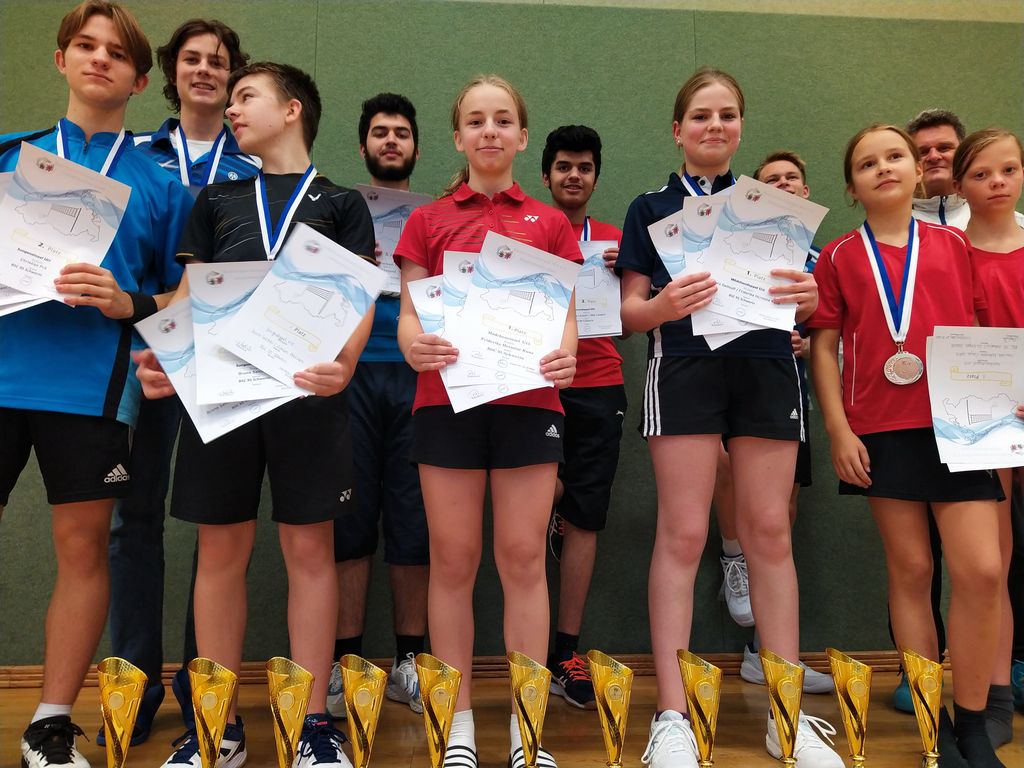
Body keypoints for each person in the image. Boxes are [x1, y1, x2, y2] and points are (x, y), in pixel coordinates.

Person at [136, 61, 376, 768]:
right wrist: (168, 357)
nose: (233, 109)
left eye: (247, 97)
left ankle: (313, 723)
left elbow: (358, 296)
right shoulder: (216, 199)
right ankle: (217, 725)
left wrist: (346, 365)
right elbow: (189, 294)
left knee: (310, 555)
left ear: (292, 109)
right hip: (225, 393)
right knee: (219, 554)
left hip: (309, 393)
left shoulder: (341, 202)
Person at [617, 68, 840, 768]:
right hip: (684, 369)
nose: (715, 125)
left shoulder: (771, 209)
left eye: (728, 115)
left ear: (740, 127)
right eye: (701, 115)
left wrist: (808, 297)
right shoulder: (649, 207)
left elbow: (807, 303)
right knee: (684, 533)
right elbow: (630, 312)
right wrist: (662, 307)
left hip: (766, 368)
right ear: (677, 129)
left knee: (769, 531)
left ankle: (785, 716)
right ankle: (673, 717)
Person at [0, 3, 193, 767]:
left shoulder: (161, 184)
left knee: (83, 551)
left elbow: (187, 297)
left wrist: (128, 302)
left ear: (140, 80)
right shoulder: (9, 158)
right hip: (3, 375)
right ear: (61, 60)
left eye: (117, 52)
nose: (99, 59)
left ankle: (50, 726)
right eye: (85, 45)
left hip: (93, 389)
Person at [394, 74, 581, 768]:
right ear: (458, 137)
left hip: (530, 406)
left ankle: (528, 733)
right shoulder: (427, 220)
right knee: (452, 561)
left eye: (503, 120)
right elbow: (409, 312)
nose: (490, 130)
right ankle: (459, 725)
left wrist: (565, 355)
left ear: (523, 137)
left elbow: (566, 315)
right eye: (476, 120)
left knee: (525, 559)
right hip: (447, 403)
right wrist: (413, 345)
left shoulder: (550, 223)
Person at [809, 123, 1007, 768]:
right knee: (913, 571)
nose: (884, 168)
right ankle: (932, 728)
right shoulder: (839, 256)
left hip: (962, 426)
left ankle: (973, 722)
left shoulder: (955, 243)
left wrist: (1006, 397)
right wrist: (839, 429)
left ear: (920, 172)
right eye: (867, 163)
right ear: (851, 187)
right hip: (881, 430)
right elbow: (824, 348)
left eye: (895, 156)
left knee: (982, 571)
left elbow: (982, 328)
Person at [102, 18, 256, 747]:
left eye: (218, 62)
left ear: (232, 78)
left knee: (214, 525)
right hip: (145, 358)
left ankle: (205, 686)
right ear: (170, 72)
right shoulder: (133, 155)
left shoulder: (253, 167)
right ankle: (133, 683)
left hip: (223, 362)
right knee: (132, 517)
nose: (204, 70)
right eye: (192, 59)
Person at [713, 150, 832, 694]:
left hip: (792, 394)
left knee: (781, 517)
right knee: (726, 475)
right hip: (731, 386)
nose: (783, 185)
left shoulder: (821, 259)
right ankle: (731, 557)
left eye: (791, 179)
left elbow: (838, 330)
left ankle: (765, 654)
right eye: (770, 181)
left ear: (805, 193)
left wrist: (812, 340)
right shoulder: (734, 243)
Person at [327, 92, 428, 720]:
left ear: (416, 146)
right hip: (351, 377)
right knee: (351, 520)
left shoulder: (437, 217)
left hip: (421, 379)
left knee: (415, 523)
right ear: (363, 145)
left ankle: (411, 661)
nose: (391, 140)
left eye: (402, 133)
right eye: (380, 132)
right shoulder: (334, 212)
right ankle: (347, 663)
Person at [538, 124, 626, 710]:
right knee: (546, 493)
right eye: (564, 166)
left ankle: (565, 652)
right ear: (545, 174)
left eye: (585, 167)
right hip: (535, 383)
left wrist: (626, 275)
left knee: (587, 519)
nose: (574, 175)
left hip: (600, 384)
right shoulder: (525, 234)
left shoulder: (616, 241)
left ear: (595, 176)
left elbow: (640, 317)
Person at [952, 127, 1024, 748]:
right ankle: (995, 697)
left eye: (1009, 170)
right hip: (985, 424)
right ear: (959, 186)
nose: (997, 182)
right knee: (991, 564)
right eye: (981, 174)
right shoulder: (949, 252)